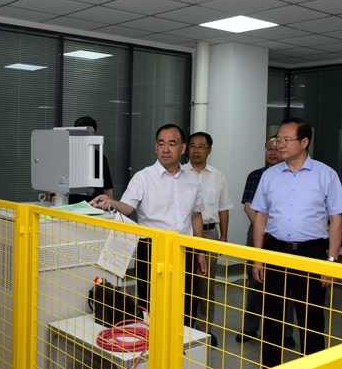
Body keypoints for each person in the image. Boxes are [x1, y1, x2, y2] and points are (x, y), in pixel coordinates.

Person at [251, 118, 342, 369]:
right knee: (272, 319)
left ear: (304, 142)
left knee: (311, 324)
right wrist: (258, 258)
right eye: (277, 140)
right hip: (276, 250)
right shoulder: (270, 175)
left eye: (286, 140)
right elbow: (260, 217)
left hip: (311, 254)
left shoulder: (326, 175)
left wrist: (331, 261)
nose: (279, 145)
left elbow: (336, 220)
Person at [91, 124, 207, 327]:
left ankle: (183, 342)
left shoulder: (192, 179)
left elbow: (196, 216)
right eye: (161, 144)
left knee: (186, 303)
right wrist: (111, 203)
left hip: (184, 249)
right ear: (155, 147)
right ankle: (152, 344)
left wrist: (200, 252)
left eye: (172, 144)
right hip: (152, 249)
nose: (165, 149)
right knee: (152, 305)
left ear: (182, 148)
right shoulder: (143, 177)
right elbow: (127, 207)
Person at [235, 137, 295, 349]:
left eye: (276, 149)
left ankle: (285, 332)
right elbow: (249, 206)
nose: (272, 152)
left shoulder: (291, 176)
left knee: (286, 286)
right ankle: (250, 327)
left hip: (283, 237)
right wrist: (263, 230)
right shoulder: (256, 175)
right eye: (269, 148)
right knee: (255, 282)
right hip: (258, 232)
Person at [182, 132, 234, 347]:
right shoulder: (179, 173)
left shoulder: (217, 176)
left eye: (201, 146)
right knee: (184, 283)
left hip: (210, 233)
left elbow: (223, 208)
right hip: (185, 233)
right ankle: (183, 327)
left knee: (205, 286)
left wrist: (224, 236)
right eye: (193, 146)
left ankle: (204, 331)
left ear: (209, 150)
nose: (196, 151)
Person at [68, 116, 114, 204]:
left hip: (94, 206)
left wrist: (110, 208)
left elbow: (107, 189)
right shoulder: (67, 156)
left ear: (95, 135)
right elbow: (54, 189)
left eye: (85, 134)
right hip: (69, 207)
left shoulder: (100, 158)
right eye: (79, 133)